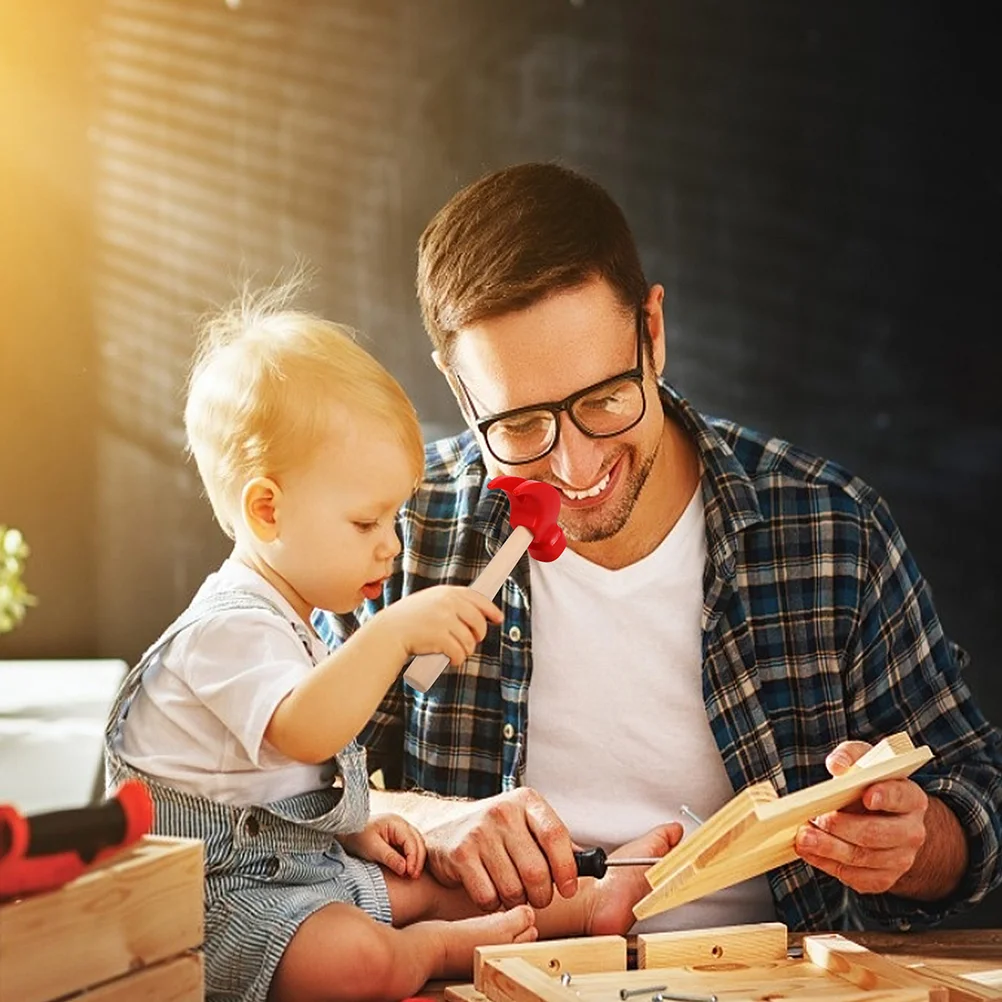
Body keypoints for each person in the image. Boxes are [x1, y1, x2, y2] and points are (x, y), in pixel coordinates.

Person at [316, 162, 1002, 935]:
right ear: (456, 386)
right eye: (519, 426)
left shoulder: (832, 531)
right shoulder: (401, 530)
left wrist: (914, 841)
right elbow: (260, 786)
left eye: (606, 399)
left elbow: (980, 798)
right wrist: (424, 819)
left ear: (654, 331)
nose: (573, 469)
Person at [103, 284, 679, 1002]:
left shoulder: (286, 622)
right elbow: (306, 732)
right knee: (356, 960)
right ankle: (428, 955)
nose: (390, 546)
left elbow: (283, 782)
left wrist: (357, 829)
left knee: (423, 881)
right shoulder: (225, 632)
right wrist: (390, 633)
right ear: (266, 509)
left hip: (289, 870)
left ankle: (591, 904)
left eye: (394, 519)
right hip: (210, 902)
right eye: (365, 523)